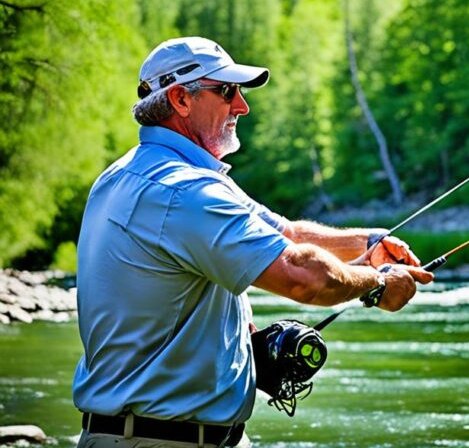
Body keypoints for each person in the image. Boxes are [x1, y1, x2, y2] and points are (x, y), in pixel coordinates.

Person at [73, 37, 432, 447]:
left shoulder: (129, 175)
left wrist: (369, 242)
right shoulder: (183, 191)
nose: (241, 106)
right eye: (227, 91)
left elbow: (288, 234)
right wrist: (379, 282)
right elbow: (304, 277)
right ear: (180, 99)